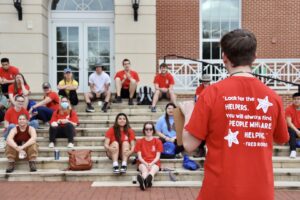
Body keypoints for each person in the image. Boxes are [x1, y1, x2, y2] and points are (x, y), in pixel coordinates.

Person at [183, 29, 289, 200]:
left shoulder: (211, 93)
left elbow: (189, 144)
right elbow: (282, 138)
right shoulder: (273, 97)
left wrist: (189, 112)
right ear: (254, 56)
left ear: (224, 56)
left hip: (219, 191)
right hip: (260, 192)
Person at [135, 122, 163, 190]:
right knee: (144, 171)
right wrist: (146, 163)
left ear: (153, 130)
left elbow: (157, 157)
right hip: (142, 162)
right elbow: (139, 157)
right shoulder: (139, 142)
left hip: (155, 162)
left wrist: (151, 163)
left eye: (150, 129)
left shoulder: (158, 141)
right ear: (144, 130)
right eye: (146, 129)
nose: (148, 131)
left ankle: (144, 183)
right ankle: (147, 182)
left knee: (151, 172)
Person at [285, 92, 300, 158]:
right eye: (295, 99)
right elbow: (289, 123)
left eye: (298, 99)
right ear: (293, 100)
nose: (296, 100)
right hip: (293, 128)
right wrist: (297, 131)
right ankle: (293, 151)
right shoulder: (289, 109)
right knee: (291, 131)